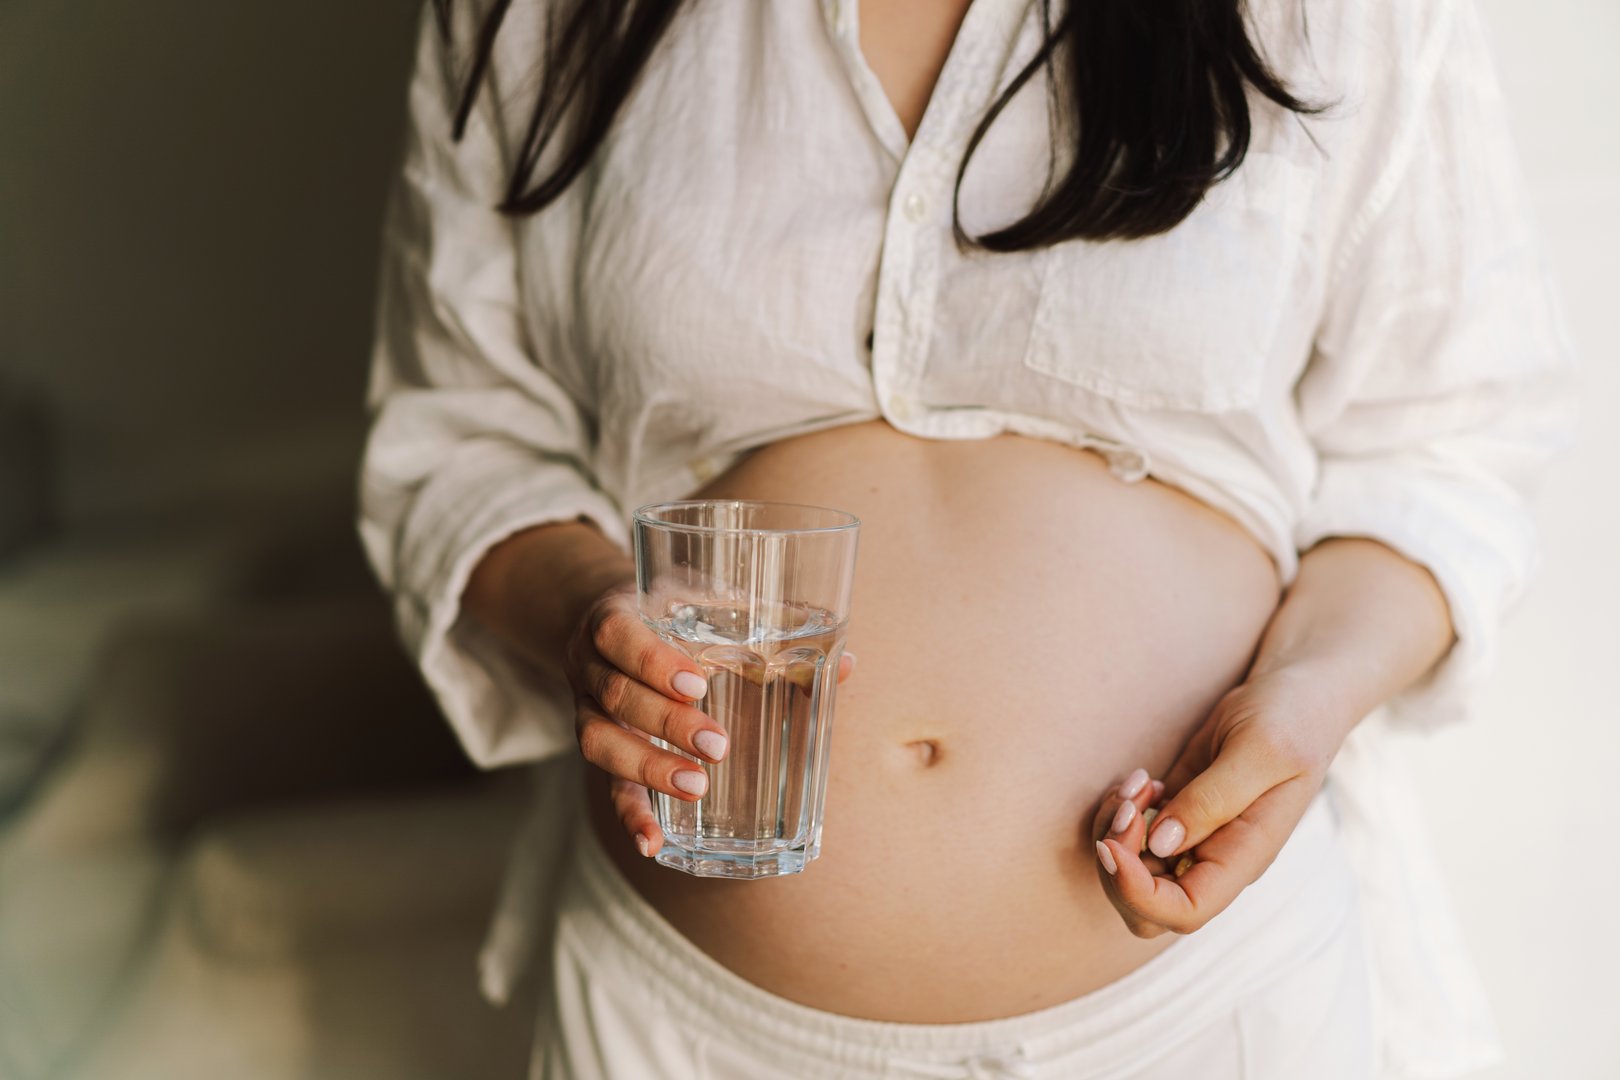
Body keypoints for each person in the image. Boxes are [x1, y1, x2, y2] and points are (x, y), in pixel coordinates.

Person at [357, 0, 1578, 1076]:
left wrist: (1305, 705)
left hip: (1204, 1014)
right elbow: (460, 434)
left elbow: (1446, 450)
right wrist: (591, 617)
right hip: (687, 1024)